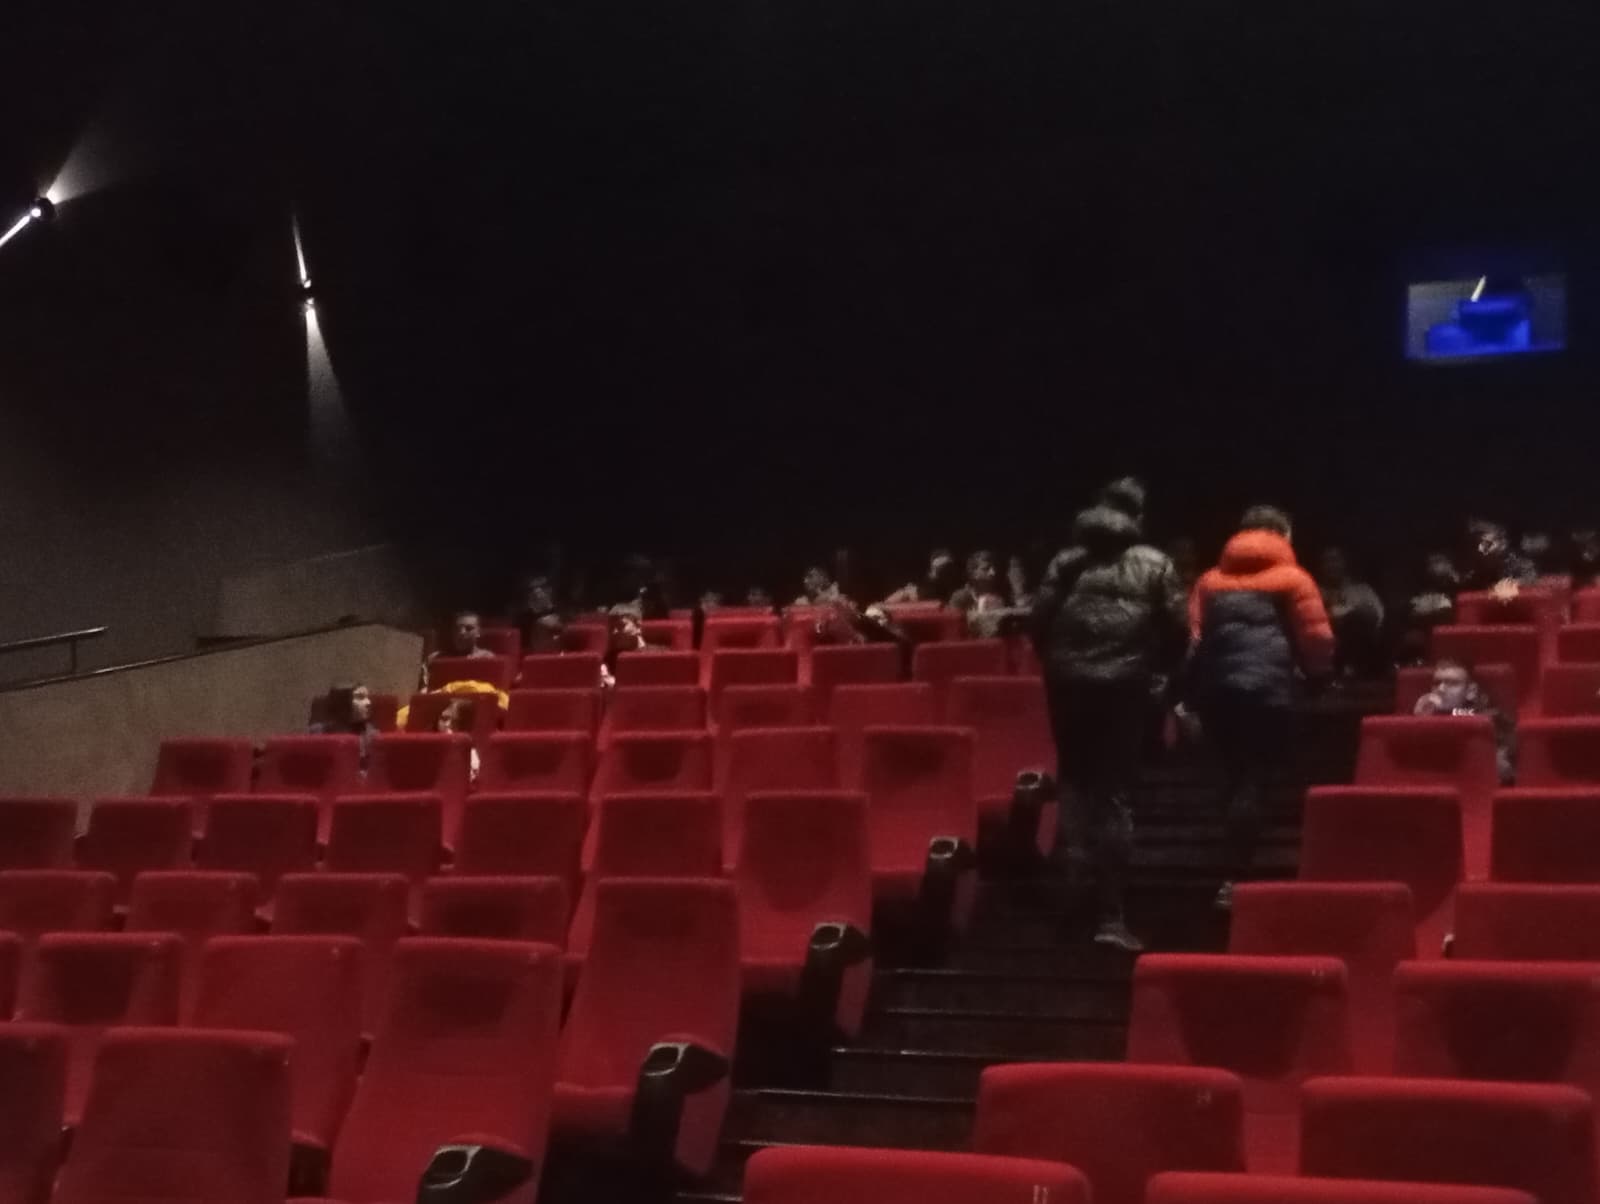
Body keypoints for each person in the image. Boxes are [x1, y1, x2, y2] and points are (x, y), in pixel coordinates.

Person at [1032, 504, 1188, 952]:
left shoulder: (1065, 562)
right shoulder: (1155, 563)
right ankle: (1110, 915)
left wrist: (1058, 665)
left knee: (1073, 782)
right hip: (1124, 686)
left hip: (1067, 685)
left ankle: (1071, 899)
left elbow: (1039, 622)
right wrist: (1157, 671)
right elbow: (1178, 629)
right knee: (1114, 793)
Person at [1187, 505, 1333, 911]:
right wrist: (1319, 676)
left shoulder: (1209, 581)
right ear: (1283, 534)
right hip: (1269, 691)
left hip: (1217, 691)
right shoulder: (1294, 578)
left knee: (1230, 777)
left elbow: (1193, 638)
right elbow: (1317, 637)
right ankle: (1238, 874)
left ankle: (1228, 867)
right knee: (1255, 776)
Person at [1413, 658, 1515, 784]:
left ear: (1471, 691)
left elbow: (1477, 716)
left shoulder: (1491, 716)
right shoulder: (1424, 711)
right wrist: (1417, 721)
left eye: (1452, 683)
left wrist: (1440, 715)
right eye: (1437, 682)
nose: (1441, 688)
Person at [1317, 547, 1385, 678]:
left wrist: (1350, 613)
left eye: (1335, 560)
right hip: (1326, 646)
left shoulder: (1362, 590)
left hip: (1362, 647)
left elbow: (1378, 617)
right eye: (1327, 561)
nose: (1332, 565)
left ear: (1345, 563)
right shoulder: (1314, 591)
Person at [310, 681, 377, 771]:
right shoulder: (318, 734)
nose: (368, 702)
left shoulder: (372, 734)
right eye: (360, 697)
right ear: (343, 702)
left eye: (367, 697)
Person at [1462, 521, 1537, 592]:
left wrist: (1515, 583)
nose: (1480, 549)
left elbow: (1531, 577)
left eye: (1488, 544)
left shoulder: (1514, 560)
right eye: (1479, 543)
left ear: (1503, 544)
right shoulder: (1477, 561)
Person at [884, 549, 961, 605]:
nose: (943, 571)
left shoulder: (958, 585)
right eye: (940, 568)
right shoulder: (924, 587)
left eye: (946, 567)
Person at [435, 698, 482, 783]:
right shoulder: (425, 748)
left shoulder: (470, 755)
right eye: (444, 718)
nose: (448, 724)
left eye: (455, 721)